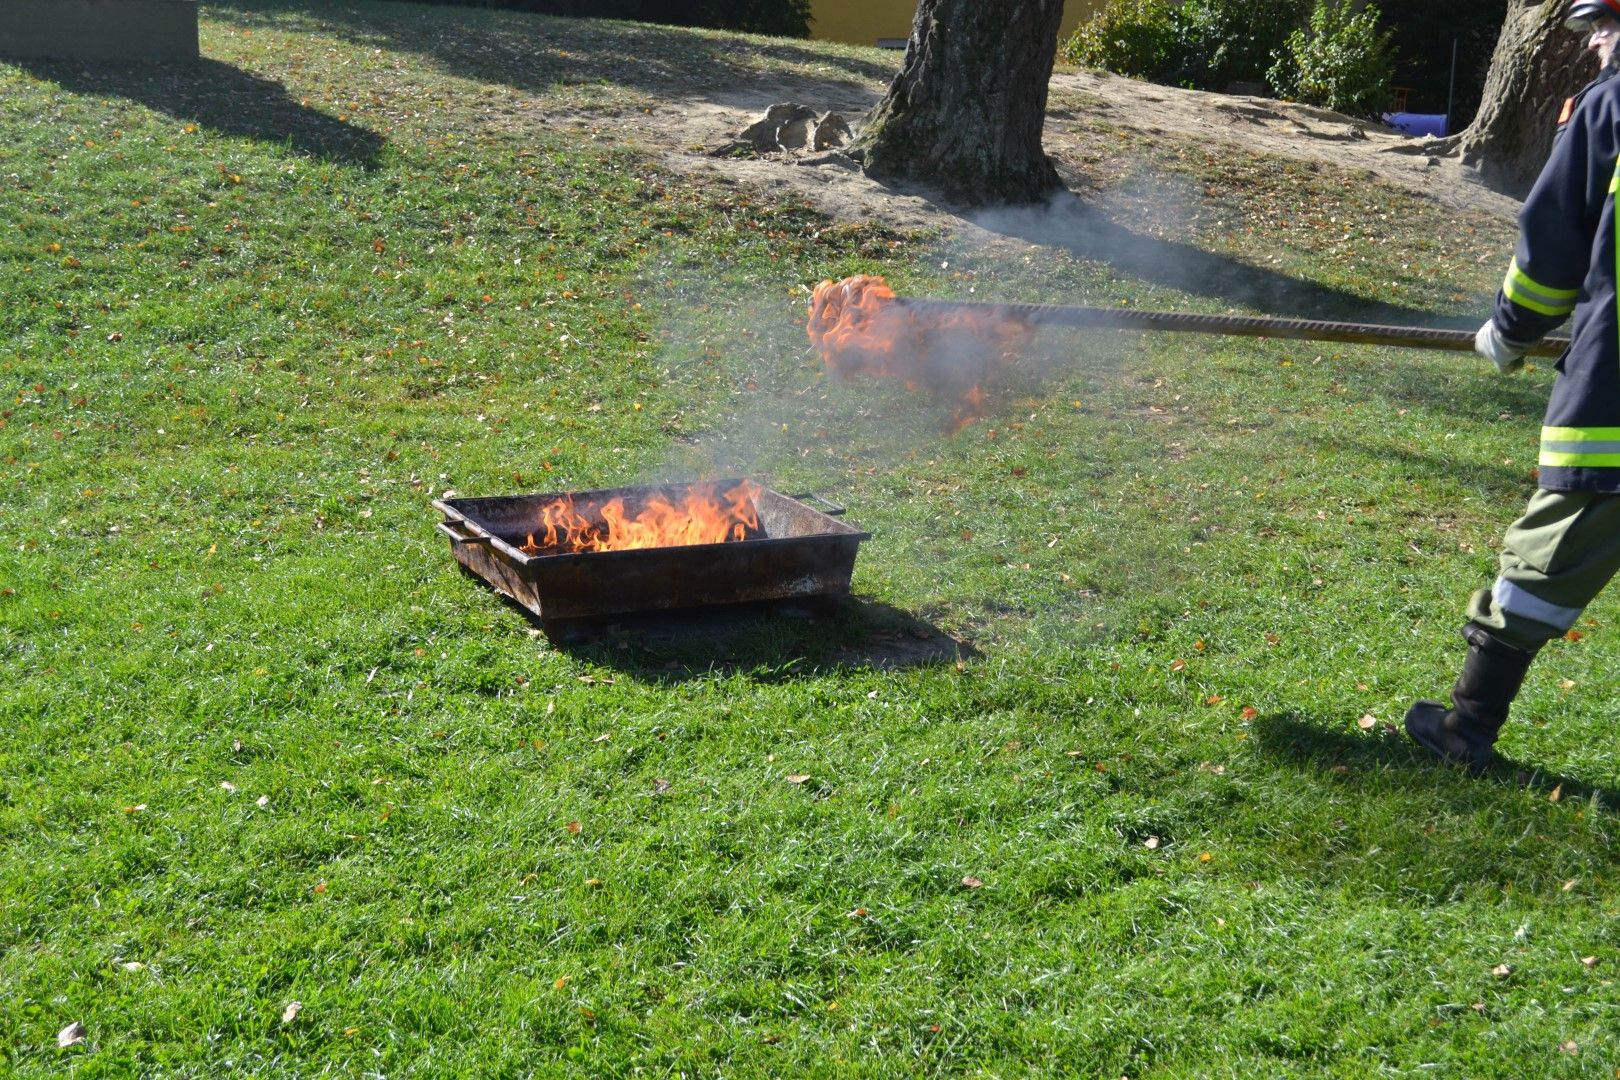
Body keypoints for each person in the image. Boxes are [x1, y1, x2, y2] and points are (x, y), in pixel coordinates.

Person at [1405, 0, 1620, 770]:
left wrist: (1509, 329)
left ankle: (1465, 730)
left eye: (1608, 24)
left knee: (1544, 558)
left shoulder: (1609, 106)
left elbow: (1554, 247)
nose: (1596, 42)